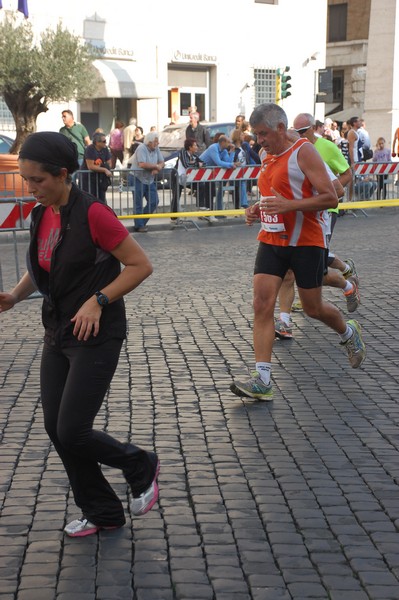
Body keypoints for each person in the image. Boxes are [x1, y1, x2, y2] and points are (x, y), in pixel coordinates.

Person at [0, 132, 159, 537]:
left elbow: (140, 266)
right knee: (57, 428)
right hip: (57, 331)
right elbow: (45, 265)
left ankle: (139, 463)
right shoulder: (41, 213)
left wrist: (98, 300)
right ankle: (102, 510)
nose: (30, 188)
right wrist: (15, 297)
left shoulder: (94, 214)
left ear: (63, 174)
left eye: (37, 180)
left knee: (73, 428)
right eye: (26, 179)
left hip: (97, 333)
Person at [229, 103, 366, 401]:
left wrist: (289, 206)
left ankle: (348, 332)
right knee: (261, 304)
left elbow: (332, 196)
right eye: (256, 135)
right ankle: (262, 379)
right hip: (272, 241)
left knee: (313, 308)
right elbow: (273, 195)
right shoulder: (267, 156)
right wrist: (256, 208)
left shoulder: (304, 152)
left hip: (307, 241)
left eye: (263, 134)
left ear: (280, 128)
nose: (259, 141)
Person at [275, 113, 359, 339]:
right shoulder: (279, 155)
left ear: (312, 129)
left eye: (302, 133)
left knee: (316, 275)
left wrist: (322, 193)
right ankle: (284, 322)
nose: (298, 137)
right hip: (291, 221)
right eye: (296, 133)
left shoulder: (322, 150)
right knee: (288, 273)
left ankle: (347, 284)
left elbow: (344, 180)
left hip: (321, 217)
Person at [128, 132, 164, 233]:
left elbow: (162, 162)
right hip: (137, 178)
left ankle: (141, 222)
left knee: (154, 201)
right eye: (155, 141)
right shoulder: (141, 148)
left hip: (149, 179)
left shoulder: (156, 148)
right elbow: (142, 164)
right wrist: (155, 166)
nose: (158, 143)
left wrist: (158, 168)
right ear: (149, 142)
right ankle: (139, 225)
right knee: (138, 202)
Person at [198, 135, 241, 219]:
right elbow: (219, 162)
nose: (230, 144)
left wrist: (232, 152)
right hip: (201, 172)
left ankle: (209, 213)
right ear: (222, 142)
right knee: (208, 192)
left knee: (211, 192)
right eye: (228, 142)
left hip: (210, 173)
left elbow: (228, 161)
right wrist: (232, 165)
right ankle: (207, 213)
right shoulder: (213, 148)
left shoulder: (224, 150)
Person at [170, 138, 203, 221]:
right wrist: (196, 164)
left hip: (187, 178)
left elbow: (203, 163)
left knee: (201, 186)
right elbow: (186, 164)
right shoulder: (182, 153)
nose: (196, 147)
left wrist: (196, 163)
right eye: (195, 145)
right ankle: (174, 217)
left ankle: (201, 206)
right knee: (176, 196)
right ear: (190, 147)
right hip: (177, 177)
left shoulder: (194, 156)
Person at [80, 132, 113, 204]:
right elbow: (91, 166)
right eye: (104, 141)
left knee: (101, 200)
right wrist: (104, 169)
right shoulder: (90, 149)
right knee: (89, 200)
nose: (105, 143)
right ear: (97, 142)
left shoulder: (105, 149)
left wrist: (104, 168)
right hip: (88, 180)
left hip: (100, 179)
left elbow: (109, 163)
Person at [231, 128, 249, 209]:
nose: (243, 136)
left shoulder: (244, 146)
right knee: (236, 188)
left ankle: (243, 203)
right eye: (242, 134)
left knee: (242, 185)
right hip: (235, 171)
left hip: (243, 170)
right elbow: (231, 158)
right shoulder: (233, 147)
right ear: (238, 136)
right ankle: (239, 205)